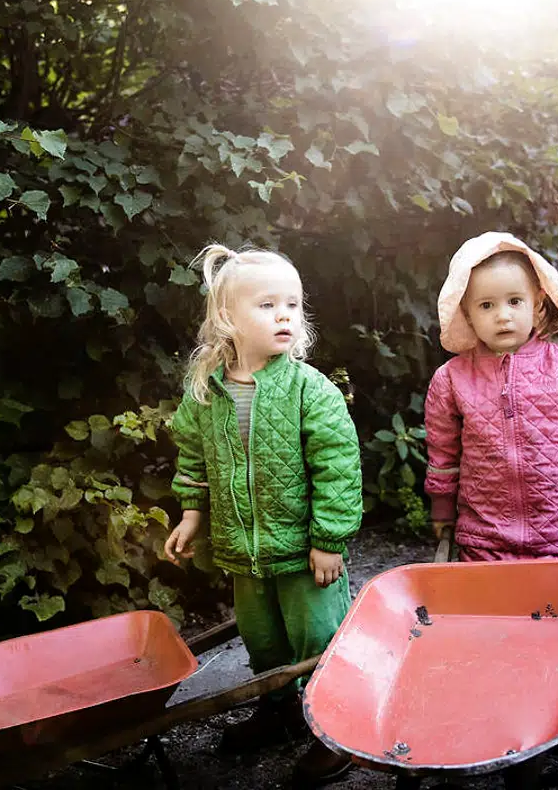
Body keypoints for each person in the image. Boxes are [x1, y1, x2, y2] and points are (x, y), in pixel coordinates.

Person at [164, 244, 361, 785]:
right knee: (264, 642)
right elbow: (192, 456)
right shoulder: (206, 393)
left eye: (293, 305)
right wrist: (191, 514)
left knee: (318, 638)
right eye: (268, 304)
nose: (285, 316)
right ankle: (279, 714)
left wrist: (329, 539)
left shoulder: (309, 390)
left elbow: (338, 465)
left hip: (303, 554)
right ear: (228, 319)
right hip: (245, 553)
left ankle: (338, 730)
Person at [424, 231, 558, 562]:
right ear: (467, 313)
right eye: (486, 305)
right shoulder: (451, 379)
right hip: (485, 536)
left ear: (537, 305)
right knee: (498, 613)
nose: (503, 315)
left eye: (514, 301)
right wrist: (442, 507)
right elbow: (442, 452)